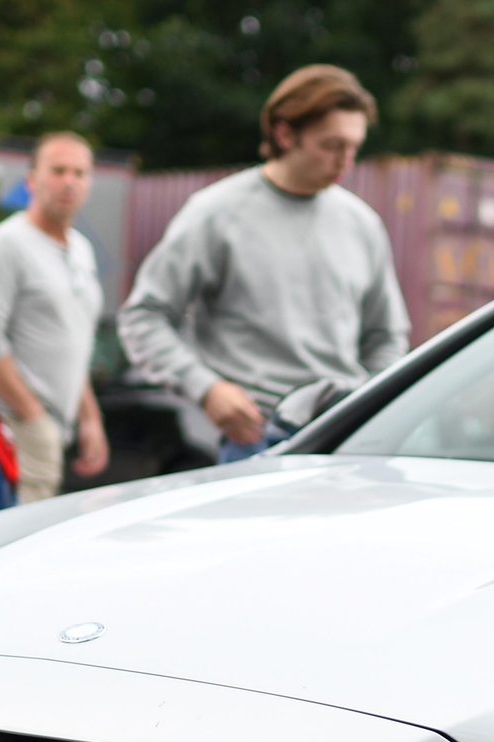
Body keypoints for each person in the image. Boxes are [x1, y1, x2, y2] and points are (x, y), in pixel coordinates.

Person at [119, 64, 408, 462]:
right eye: (332, 145)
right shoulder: (216, 213)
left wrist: (365, 410)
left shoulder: (363, 224)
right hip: (253, 439)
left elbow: (387, 337)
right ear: (284, 133)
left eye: (354, 147)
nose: (346, 161)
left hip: (342, 443)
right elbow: (143, 316)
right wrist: (207, 389)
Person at [0, 132, 109, 502]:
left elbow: (74, 340)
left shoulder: (81, 250)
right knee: (6, 546)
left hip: (49, 430)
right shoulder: (7, 243)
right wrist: (32, 416)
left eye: (80, 173)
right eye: (58, 170)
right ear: (31, 180)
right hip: (10, 429)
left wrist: (90, 418)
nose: (69, 182)